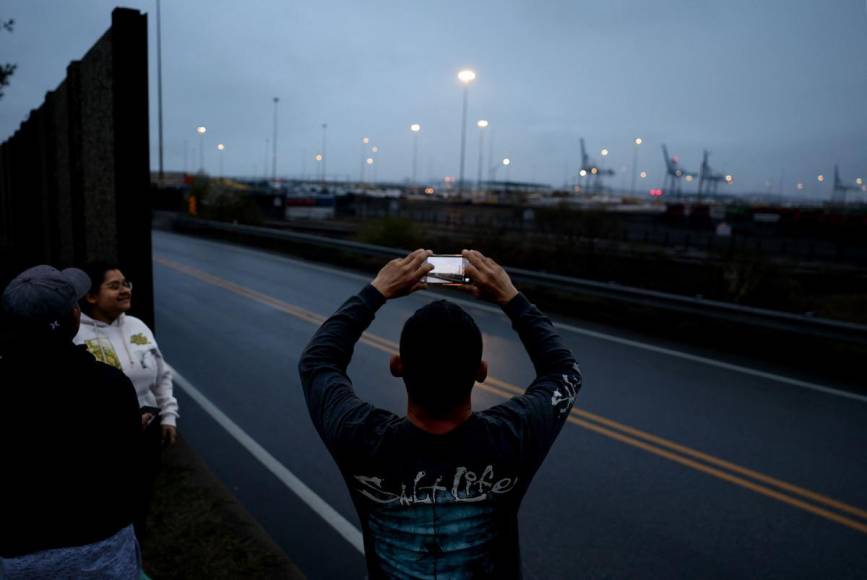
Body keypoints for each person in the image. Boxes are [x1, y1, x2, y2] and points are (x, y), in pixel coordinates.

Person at [299, 249, 581, 578]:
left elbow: (317, 363)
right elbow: (564, 371)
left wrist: (377, 291)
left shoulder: (360, 436)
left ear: (397, 366)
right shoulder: (512, 437)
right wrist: (509, 296)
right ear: (481, 371)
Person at [0, 265, 142, 578]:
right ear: (75, 319)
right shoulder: (111, 386)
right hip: (103, 553)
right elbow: (133, 473)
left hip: (18, 558)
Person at [73, 262, 179, 538]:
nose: (125, 290)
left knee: (142, 498)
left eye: (126, 283)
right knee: (112, 506)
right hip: (108, 438)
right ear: (92, 296)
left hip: (148, 431)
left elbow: (161, 374)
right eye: (114, 285)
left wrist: (168, 415)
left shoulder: (137, 326)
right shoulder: (78, 336)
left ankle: (137, 555)